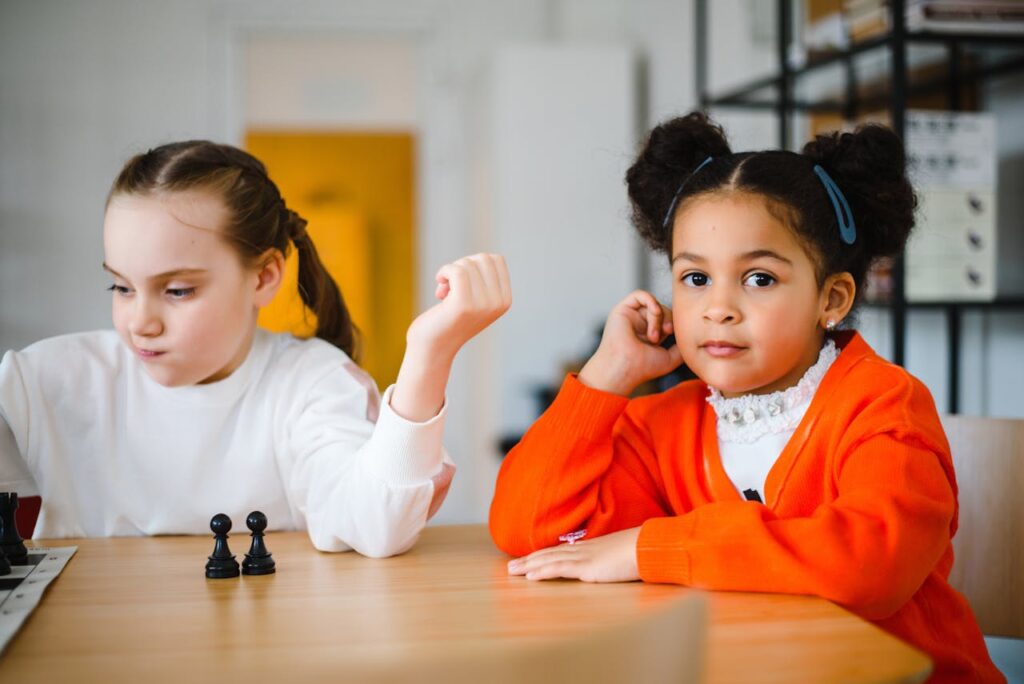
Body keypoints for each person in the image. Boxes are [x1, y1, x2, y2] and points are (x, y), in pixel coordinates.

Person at [489, 113, 1002, 683]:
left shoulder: (882, 404)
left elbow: (869, 564)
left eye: (758, 279)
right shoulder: (665, 422)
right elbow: (530, 527)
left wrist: (651, 549)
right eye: (695, 279)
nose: (718, 308)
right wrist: (608, 373)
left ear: (831, 298)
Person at [0, 140, 511, 558]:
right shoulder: (46, 379)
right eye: (121, 287)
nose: (140, 323)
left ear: (264, 276)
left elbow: (375, 524)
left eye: (177, 291)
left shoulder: (313, 383)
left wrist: (430, 353)